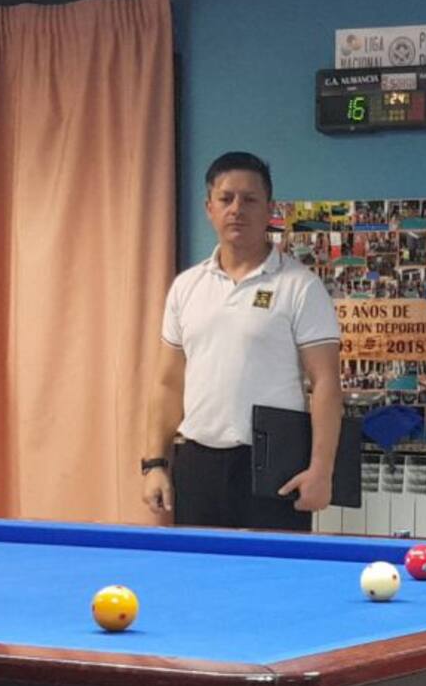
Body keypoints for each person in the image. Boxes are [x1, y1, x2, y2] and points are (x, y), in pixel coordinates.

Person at [141, 151, 343, 530]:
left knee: (272, 568)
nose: (237, 209)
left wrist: (321, 469)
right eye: (226, 198)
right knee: (199, 568)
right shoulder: (186, 287)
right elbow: (168, 383)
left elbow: (326, 383)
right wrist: (155, 464)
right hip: (197, 463)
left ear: (269, 210)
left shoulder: (301, 286)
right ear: (210, 208)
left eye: (250, 199)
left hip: (275, 466)